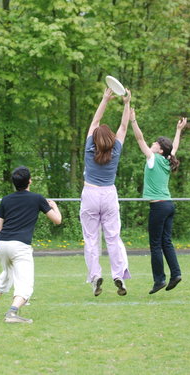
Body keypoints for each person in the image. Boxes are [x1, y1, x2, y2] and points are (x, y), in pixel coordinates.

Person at [0, 166, 62, 323]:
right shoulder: (37, 198)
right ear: (29, 181)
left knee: (7, 273)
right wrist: (54, 206)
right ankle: (12, 313)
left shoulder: (6, 199)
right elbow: (57, 220)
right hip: (19, 245)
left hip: (1, 243)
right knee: (26, 283)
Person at [80, 87, 131, 297]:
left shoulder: (90, 148)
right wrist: (127, 103)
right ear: (110, 139)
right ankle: (118, 275)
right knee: (113, 237)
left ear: (95, 139)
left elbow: (94, 123)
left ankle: (95, 276)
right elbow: (124, 126)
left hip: (90, 194)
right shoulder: (116, 149)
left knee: (91, 239)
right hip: (109, 195)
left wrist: (105, 99)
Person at [129, 108, 187, 294]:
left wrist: (133, 121)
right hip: (169, 205)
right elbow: (175, 147)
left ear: (159, 149)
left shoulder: (153, 158)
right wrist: (179, 130)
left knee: (155, 244)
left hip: (159, 206)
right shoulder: (168, 159)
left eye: (155, 143)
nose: (151, 143)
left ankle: (159, 279)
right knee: (166, 242)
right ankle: (176, 273)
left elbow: (139, 138)